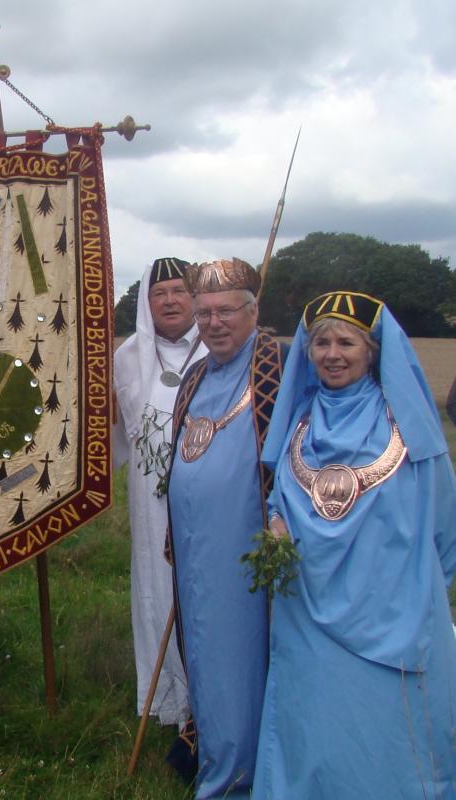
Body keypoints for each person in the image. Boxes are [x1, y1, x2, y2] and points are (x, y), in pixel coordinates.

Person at [251, 291, 456, 799]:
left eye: (346, 341)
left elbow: (441, 513)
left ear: (372, 350)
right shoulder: (299, 420)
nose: (332, 353)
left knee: (384, 726)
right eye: (321, 342)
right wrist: (277, 525)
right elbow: (281, 494)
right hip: (308, 603)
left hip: (389, 601)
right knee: (312, 715)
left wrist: (425, 584)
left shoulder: (403, 425)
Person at [164, 258, 286, 798]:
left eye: (226, 312)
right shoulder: (194, 376)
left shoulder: (277, 366)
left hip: (252, 550)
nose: (213, 323)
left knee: (246, 657)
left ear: (253, 312)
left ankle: (246, 772)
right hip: (196, 554)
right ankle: (214, 750)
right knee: (208, 659)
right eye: (205, 312)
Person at [113, 257, 204, 727]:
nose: (169, 300)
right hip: (150, 497)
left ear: (195, 297)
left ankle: (211, 696)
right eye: (159, 292)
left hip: (210, 494)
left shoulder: (219, 347)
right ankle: (168, 702)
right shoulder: (126, 356)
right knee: (157, 586)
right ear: (147, 302)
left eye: (179, 290)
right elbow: (114, 433)